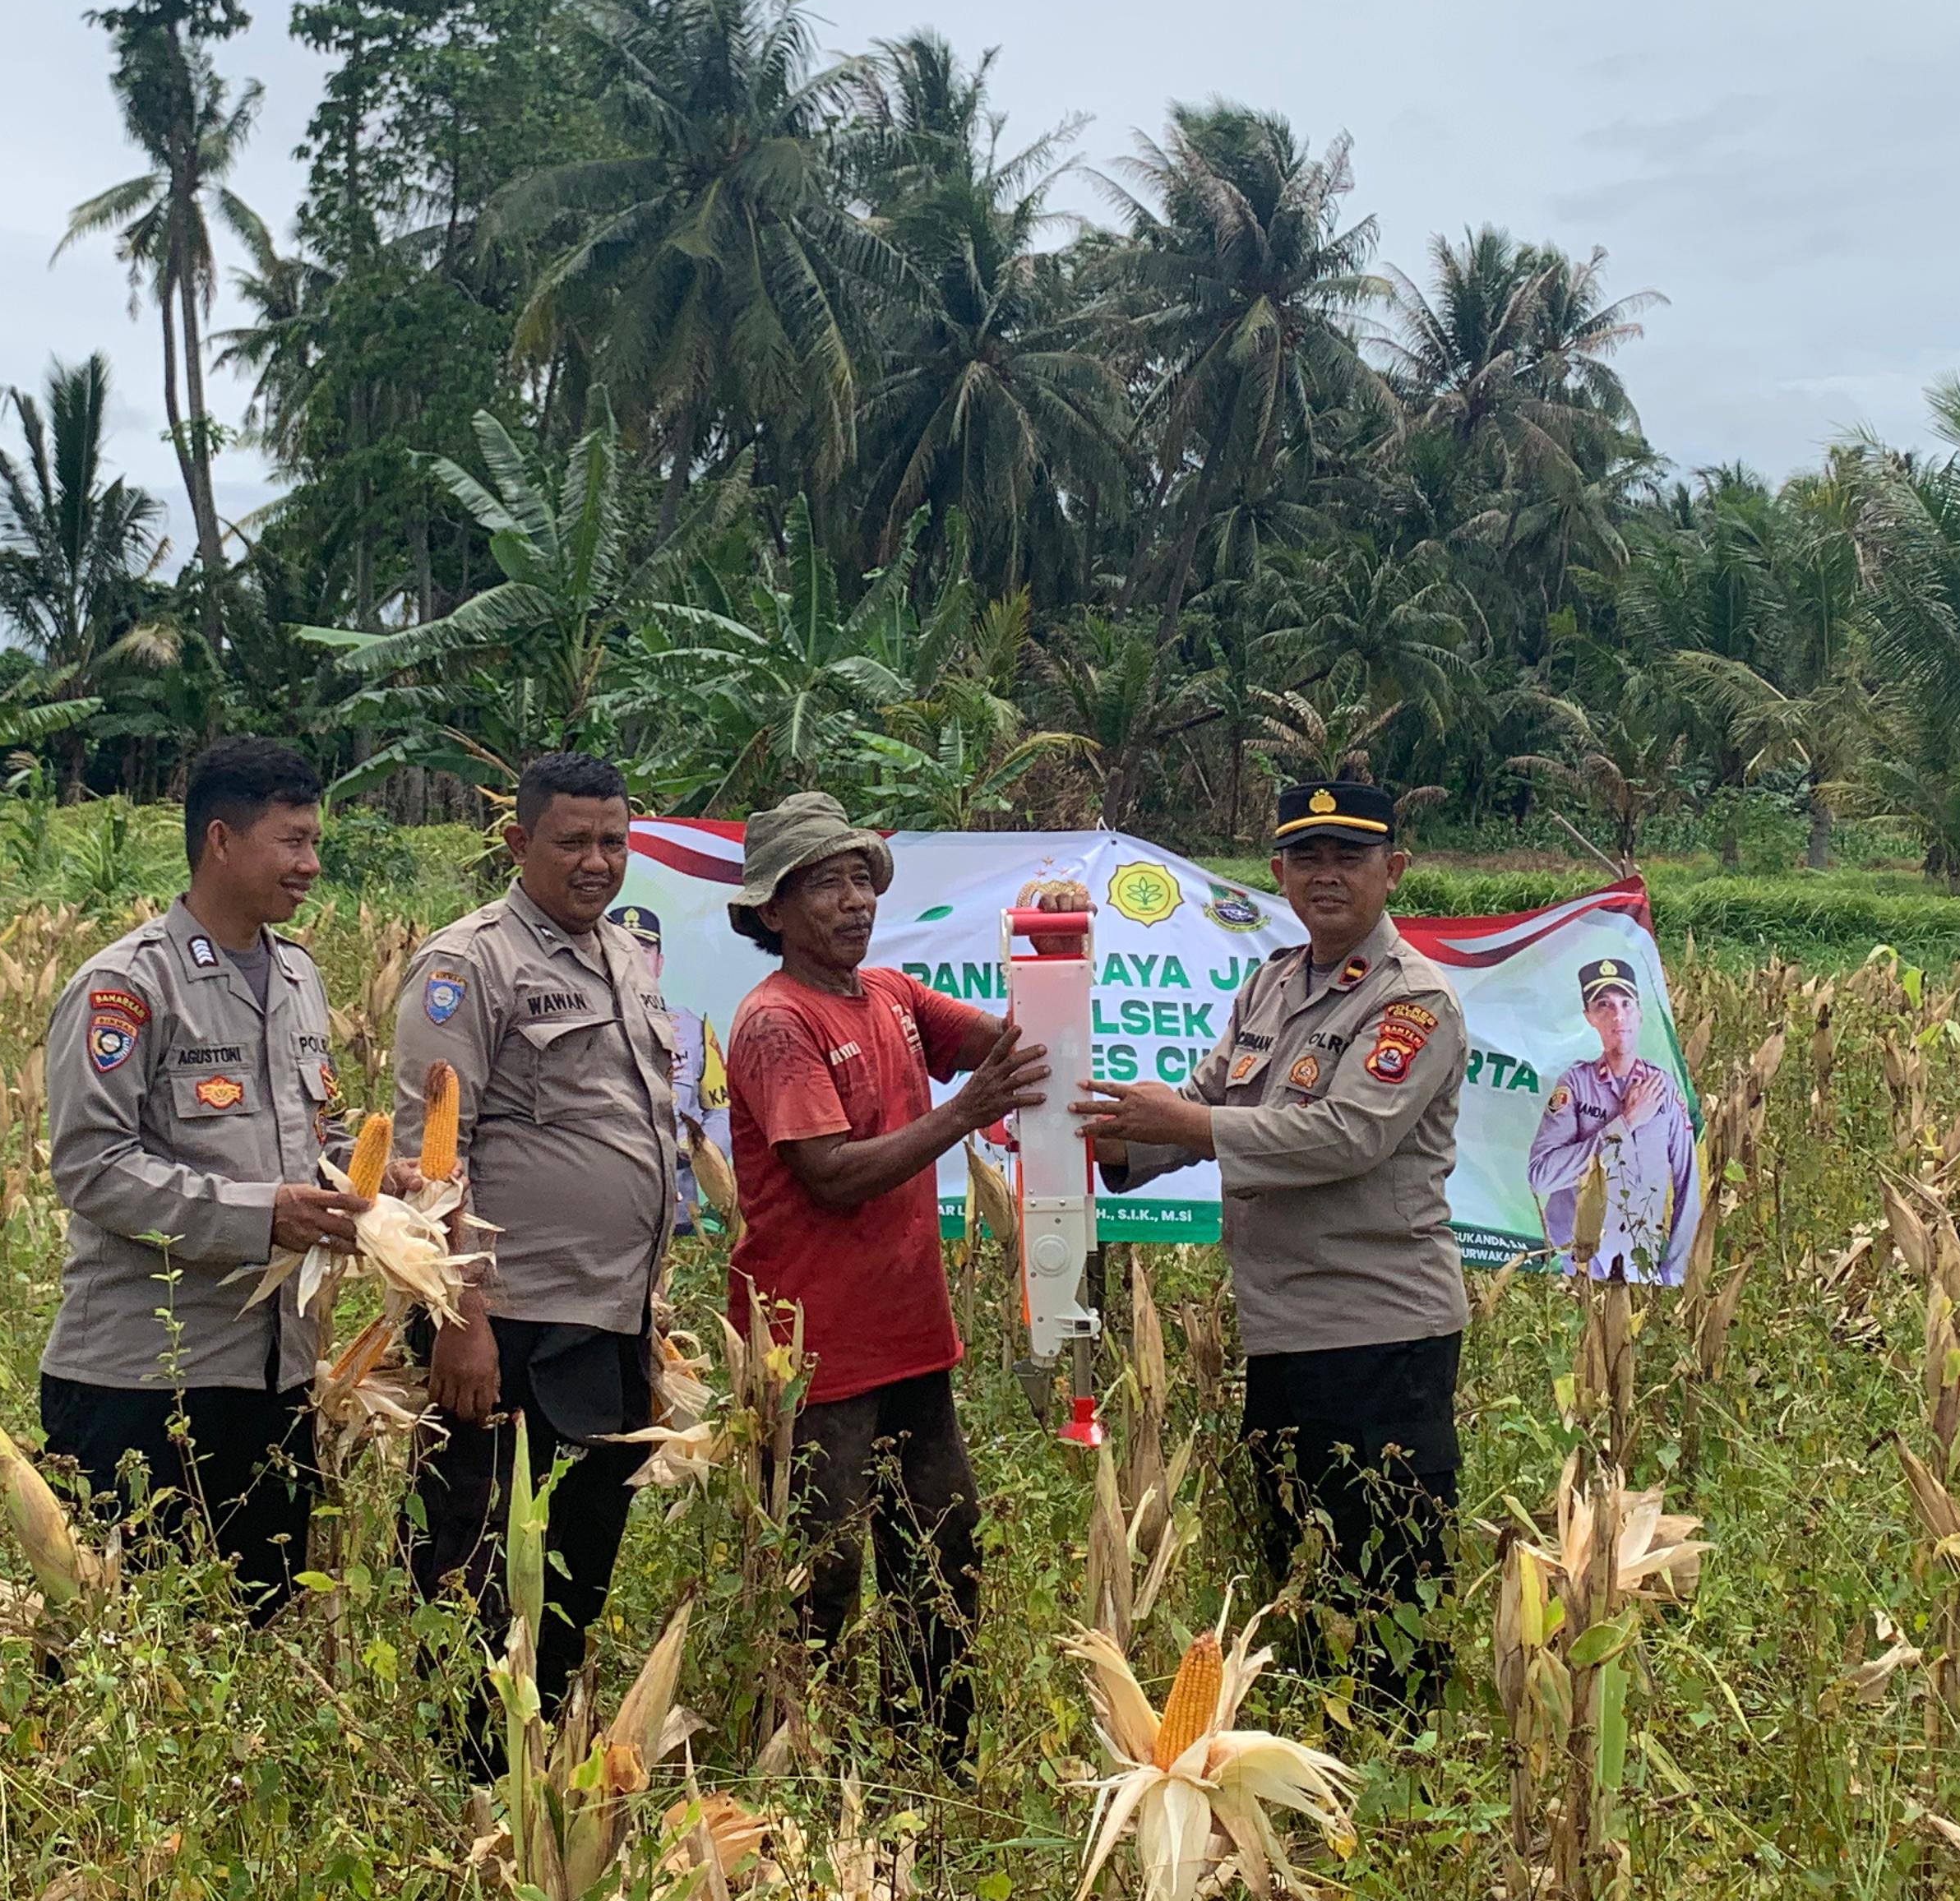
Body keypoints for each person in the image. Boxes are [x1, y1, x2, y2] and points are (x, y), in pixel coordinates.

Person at [1075, 777, 1468, 1713]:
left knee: (1387, 1580)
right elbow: (1206, 1101)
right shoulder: (1272, 984)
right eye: (1307, 857)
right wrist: (1099, 1134)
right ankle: (1322, 1743)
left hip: (1379, 1336)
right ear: (1278, 873)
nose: (1327, 875)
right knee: (1301, 1566)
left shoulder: (1412, 1001)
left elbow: (1347, 1136)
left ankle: (1400, 1760)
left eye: (1350, 857)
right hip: (1283, 1335)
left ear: (1393, 871)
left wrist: (1185, 1124)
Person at [721, 792, 1049, 1769]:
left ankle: (928, 1760)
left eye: (863, 878)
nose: (855, 900)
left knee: (944, 1546)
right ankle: (800, 1771)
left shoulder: (894, 997)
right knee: (820, 1571)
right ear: (773, 909)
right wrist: (963, 1116)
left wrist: (1054, 954)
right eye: (827, 884)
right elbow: (829, 1174)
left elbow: (1010, 1042)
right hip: (812, 1351)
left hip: (909, 1338)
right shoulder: (776, 1022)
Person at [396, 752, 686, 1776]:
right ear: (520, 843)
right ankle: (465, 1782)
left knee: (577, 1561)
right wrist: (460, 1318)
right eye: (572, 842)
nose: (597, 861)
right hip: (508, 1326)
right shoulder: (469, 963)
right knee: (478, 1565)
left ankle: (539, 1768)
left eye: (613, 841)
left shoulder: (625, 957)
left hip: (608, 1322)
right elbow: (432, 1154)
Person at [37, 735, 368, 1620]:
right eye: (292, 841)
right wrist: (263, 1217)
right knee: (119, 1639)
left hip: (277, 1376)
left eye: (314, 842)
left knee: (256, 1632)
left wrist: (368, 1176)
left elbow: (311, 1134)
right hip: (143, 1380)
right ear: (221, 840)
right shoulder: (127, 986)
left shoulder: (298, 977)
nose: (311, 864)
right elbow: (92, 1167)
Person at [1525, 957, 1701, 1285]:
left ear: (1639, 1014)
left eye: (1626, 1003)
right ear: (1589, 1017)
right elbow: (1541, 1177)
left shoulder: (1663, 1089)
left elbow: (1688, 1185)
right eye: (1603, 1005)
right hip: (1572, 1270)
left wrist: (1673, 1275)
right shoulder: (1575, 1084)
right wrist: (1625, 1124)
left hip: (1639, 1268)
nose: (1617, 1015)